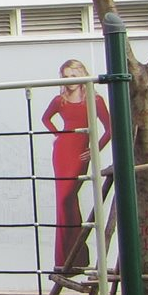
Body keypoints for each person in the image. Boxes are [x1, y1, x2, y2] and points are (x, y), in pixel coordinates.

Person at [41, 58, 111, 273]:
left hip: (80, 153)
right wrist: (58, 135)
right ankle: (68, 259)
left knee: (68, 198)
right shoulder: (59, 100)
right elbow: (46, 119)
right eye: (65, 76)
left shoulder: (94, 100)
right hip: (62, 152)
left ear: (82, 75)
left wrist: (95, 149)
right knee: (63, 202)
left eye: (73, 75)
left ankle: (76, 256)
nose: (69, 80)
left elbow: (110, 128)